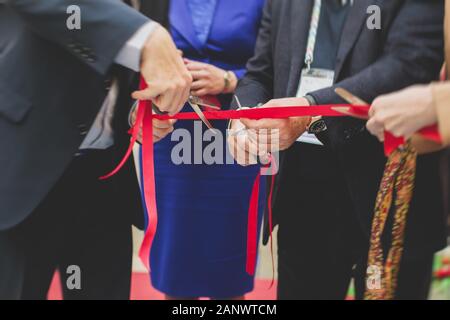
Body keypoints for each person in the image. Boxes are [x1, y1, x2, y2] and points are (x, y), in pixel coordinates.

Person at [229, 0, 447, 300]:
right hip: (302, 190)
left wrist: (310, 107)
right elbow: (259, 72)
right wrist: (241, 119)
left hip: (389, 182)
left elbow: (409, 64)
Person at [0, 0, 191, 300]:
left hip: (105, 177)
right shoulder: (147, 33)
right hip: (25, 167)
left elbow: (122, 67)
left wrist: (135, 116)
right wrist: (145, 35)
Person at [134, 0, 266, 300]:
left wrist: (230, 79)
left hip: (236, 138)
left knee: (228, 269)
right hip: (172, 138)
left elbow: (277, 65)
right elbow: (137, 58)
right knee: (177, 267)